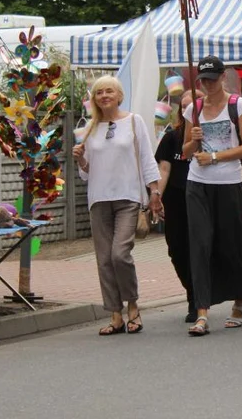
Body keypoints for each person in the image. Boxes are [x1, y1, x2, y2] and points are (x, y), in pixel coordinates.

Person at [74, 76, 163, 336]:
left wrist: (154, 191)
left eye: (109, 91)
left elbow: (147, 158)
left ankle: (133, 305)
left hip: (128, 197)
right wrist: (80, 161)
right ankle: (115, 314)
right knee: (103, 260)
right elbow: (87, 174)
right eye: (99, 92)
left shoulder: (134, 122)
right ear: (94, 99)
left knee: (119, 255)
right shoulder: (88, 128)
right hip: (99, 199)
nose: (104, 96)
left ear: (119, 95)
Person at [183, 55, 242, 336]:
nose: (208, 85)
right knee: (200, 245)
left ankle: (239, 300)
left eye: (213, 79)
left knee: (232, 243)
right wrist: (194, 139)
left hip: (228, 182)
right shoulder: (194, 108)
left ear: (223, 77)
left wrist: (214, 156)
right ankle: (202, 311)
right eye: (203, 80)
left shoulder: (238, 105)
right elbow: (186, 152)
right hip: (197, 183)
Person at [154, 90, 195, 321]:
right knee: (177, 250)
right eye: (185, 107)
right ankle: (192, 290)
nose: (188, 111)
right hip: (177, 199)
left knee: (199, 249)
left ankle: (197, 299)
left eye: (193, 106)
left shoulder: (210, 136)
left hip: (203, 197)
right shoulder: (171, 138)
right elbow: (164, 168)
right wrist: (156, 195)